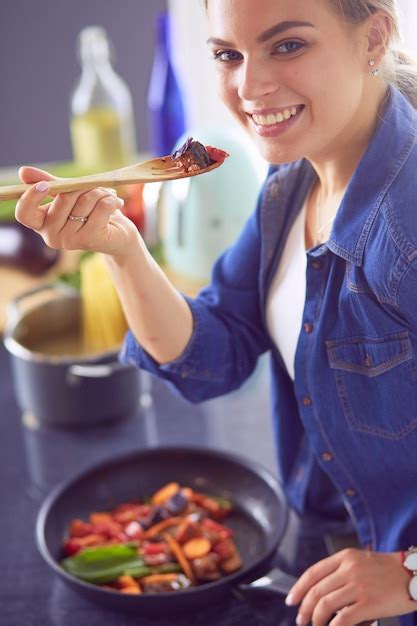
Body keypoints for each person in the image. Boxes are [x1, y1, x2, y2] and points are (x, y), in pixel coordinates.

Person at [14, 0, 417, 624]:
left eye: (288, 46)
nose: (249, 87)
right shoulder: (291, 185)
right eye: (228, 54)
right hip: (330, 555)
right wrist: (121, 248)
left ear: (376, 36)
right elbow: (214, 352)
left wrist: (410, 575)